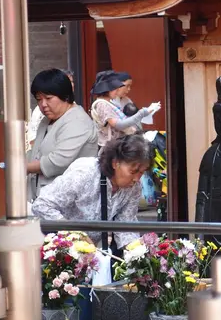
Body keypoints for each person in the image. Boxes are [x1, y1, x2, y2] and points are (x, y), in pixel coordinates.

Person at [32, 133, 153, 249]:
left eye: (141, 172)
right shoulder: (84, 173)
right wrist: (75, 234)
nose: (137, 179)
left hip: (89, 253)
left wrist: (136, 253)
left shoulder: (134, 188)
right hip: (54, 245)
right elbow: (41, 205)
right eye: (133, 171)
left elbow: (125, 224)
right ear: (115, 163)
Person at [27, 68, 98, 201]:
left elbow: (58, 161)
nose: (43, 105)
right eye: (38, 99)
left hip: (71, 201)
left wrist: (23, 167)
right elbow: (37, 151)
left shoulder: (77, 120)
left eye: (48, 98)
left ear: (65, 96)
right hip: (45, 198)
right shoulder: (47, 119)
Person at [90, 72, 160, 152]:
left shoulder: (109, 103)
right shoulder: (102, 105)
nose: (117, 91)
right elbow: (119, 125)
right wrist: (142, 113)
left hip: (118, 145)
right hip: (112, 147)